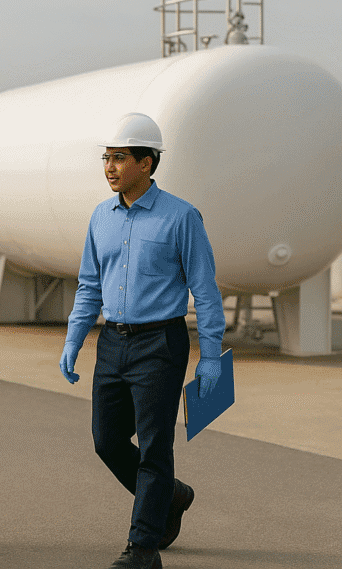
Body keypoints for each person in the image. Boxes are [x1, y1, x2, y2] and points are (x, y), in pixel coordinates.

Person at [59, 113, 225, 569]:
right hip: (112, 343)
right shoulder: (100, 217)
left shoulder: (182, 217)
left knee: (155, 446)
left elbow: (205, 292)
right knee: (106, 440)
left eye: (119, 158)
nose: (109, 167)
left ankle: (143, 548)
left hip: (161, 344)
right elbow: (89, 285)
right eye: (107, 158)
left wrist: (210, 357)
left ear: (147, 163)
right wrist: (74, 338)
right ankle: (170, 496)